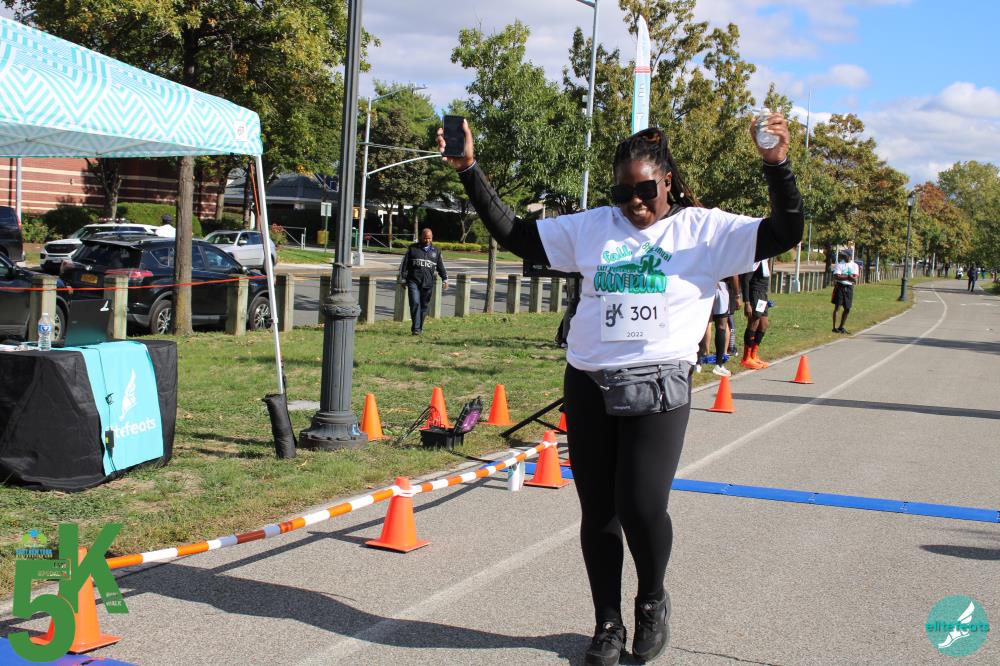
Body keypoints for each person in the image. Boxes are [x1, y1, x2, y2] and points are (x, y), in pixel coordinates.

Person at [437, 113, 802, 665]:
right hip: (589, 383)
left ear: (668, 183)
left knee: (641, 505)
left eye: (646, 190)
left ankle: (651, 599)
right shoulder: (594, 227)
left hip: (659, 387)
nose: (634, 202)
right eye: (623, 191)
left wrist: (777, 165)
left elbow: (785, 231)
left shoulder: (703, 231)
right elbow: (516, 234)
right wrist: (469, 169)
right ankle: (607, 622)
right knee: (599, 511)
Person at [398, 228, 448, 335]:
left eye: (429, 238)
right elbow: (404, 265)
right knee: (415, 303)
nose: (427, 240)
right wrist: (402, 278)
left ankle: (419, 327)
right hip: (413, 281)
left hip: (427, 283)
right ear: (421, 237)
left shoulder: (436, 251)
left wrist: (445, 279)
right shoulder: (412, 248)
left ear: (432, 238)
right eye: (425, 238)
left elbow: (441, 267)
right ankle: (416, 329)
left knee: (424, 306)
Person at [740, 258, 772, 368]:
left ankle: (754, 355)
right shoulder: (756, 260)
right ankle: (746, 358)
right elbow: (745, 280)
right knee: (754, 322)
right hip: (755, 293)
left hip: (763, 294)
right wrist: (747, 302)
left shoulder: (766, 260)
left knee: (764, 324)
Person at [831, 249, 858, 333]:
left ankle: (841, 327)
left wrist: (844, 276)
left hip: (849, 287)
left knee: (847, 308)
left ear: (849, 256)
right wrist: (848, 277)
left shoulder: (854, 265)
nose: (843, 256)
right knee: (837, 307)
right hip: (839, 287)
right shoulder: (839, 264)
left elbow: (854, 278)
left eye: (844, 255)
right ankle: (834, 328)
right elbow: (836, 276)